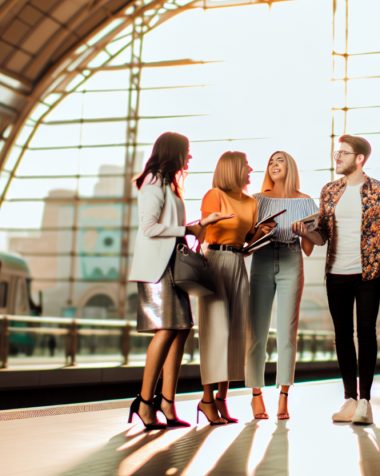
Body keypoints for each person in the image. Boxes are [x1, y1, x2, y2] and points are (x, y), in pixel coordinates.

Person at [293, 134, 380, 426]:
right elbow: (322, 234)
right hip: (335, 274)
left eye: (343, 153)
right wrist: (305, 233)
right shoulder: (329, 191)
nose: (336, 157)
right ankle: (349, 399)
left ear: (360, 158)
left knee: (366, 332)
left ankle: (365, 401)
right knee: (342, 335)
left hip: (368, 272)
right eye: (336, 152)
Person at [126, 132, 231, 430]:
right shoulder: (152, 182)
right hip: (157, 269)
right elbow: (148, 228)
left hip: (172, 265)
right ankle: (145, 402)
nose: (190, 157)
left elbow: (172, 227)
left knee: (182, 330)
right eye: (187, 151)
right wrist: (186, 229)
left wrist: (199, 227)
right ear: (174, 152)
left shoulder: (170, 183)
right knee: (167, 330)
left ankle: (167, 403)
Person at [196, 151, 275, 424]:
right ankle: (206, 400)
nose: (250, 168)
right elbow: (203, 234)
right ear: (232, 169)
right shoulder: (214, 195)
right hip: (214, 262)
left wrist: (261, 233)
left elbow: (246, 242)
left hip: (238, 263)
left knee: (234, 335)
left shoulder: (251, 202)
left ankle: (221, 399)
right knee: (214, 332)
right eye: (245, 165)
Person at [246, 151, 317, 421]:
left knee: (287, 333)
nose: (275, 165)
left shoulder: (306, 202)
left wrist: (305, 232)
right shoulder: (258, 200)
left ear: (291, 167)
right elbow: (248, 243)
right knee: (257, 332)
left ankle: (284, 395)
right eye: (271, 162)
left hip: (291, 259)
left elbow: (309, 247)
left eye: (281, 161)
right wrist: (259, 232)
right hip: (262, 260)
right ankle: (255, 395)